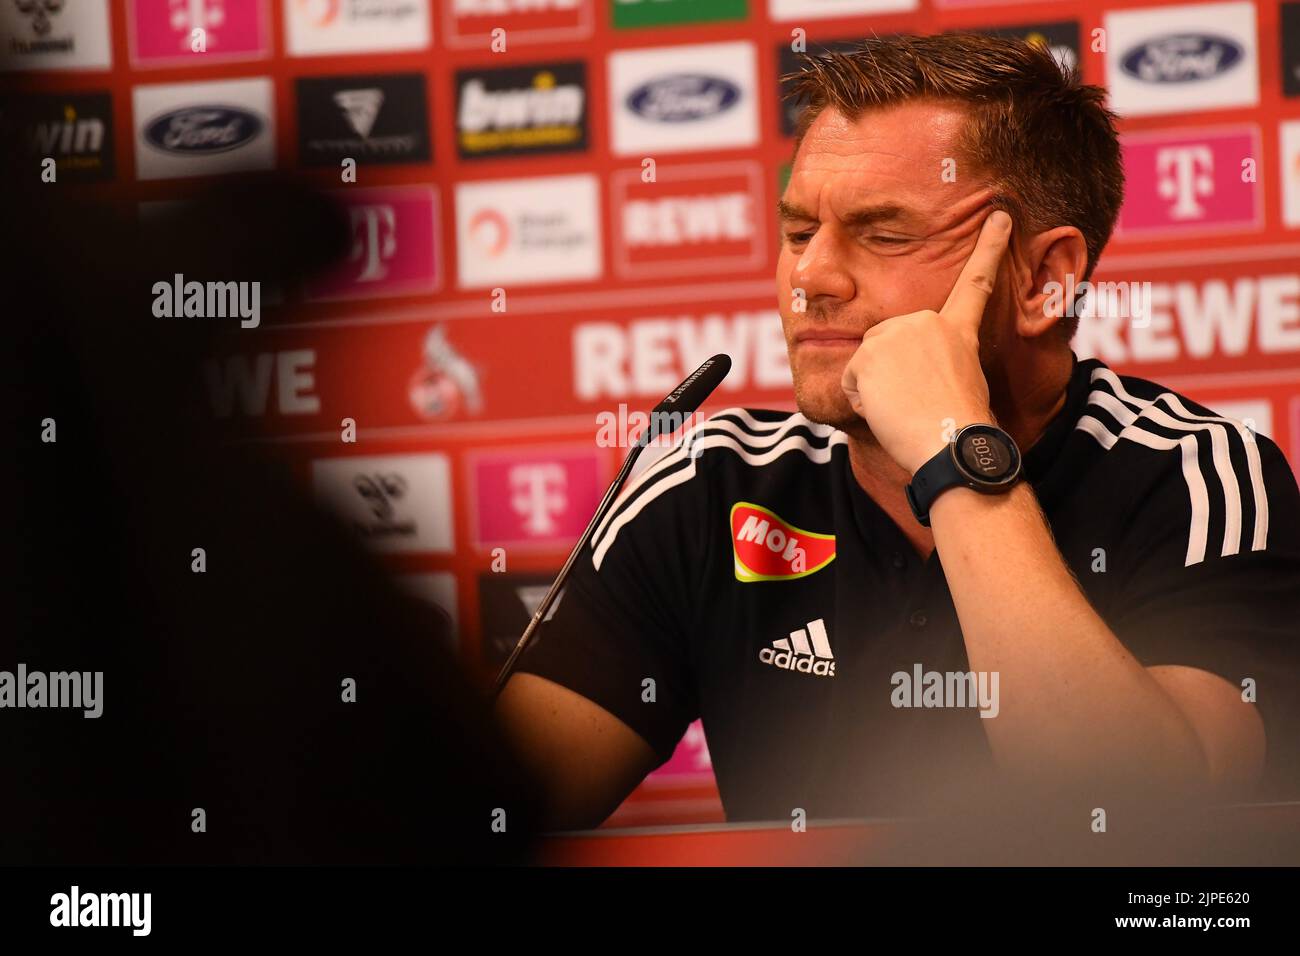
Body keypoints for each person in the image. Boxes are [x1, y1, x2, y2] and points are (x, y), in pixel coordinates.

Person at [495, 34, 1300, 831]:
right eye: (800, 233)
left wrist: (956, 452)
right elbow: (483, 823)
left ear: (1043, 280)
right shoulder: (711, 488)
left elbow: (1131, 813)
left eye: (885, 234)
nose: (810, 279)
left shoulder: (1195, 475)